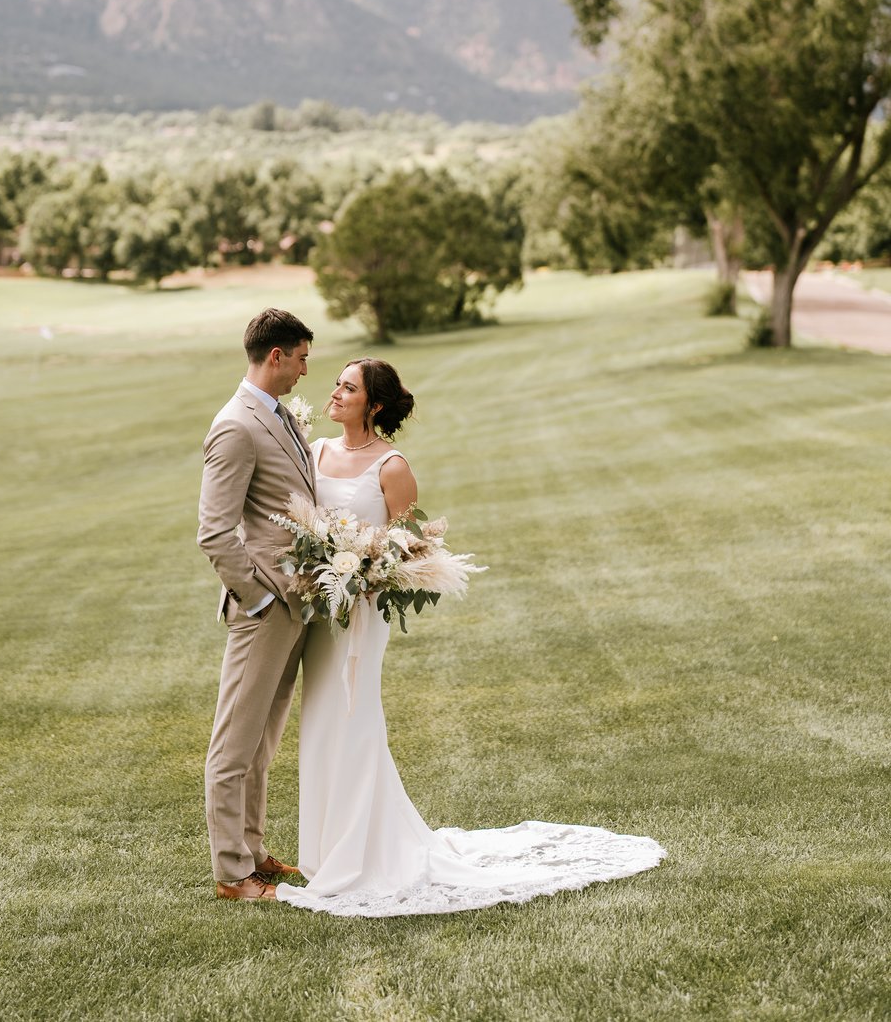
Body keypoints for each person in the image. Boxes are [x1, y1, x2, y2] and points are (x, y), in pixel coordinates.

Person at [276, 357, 666, 917]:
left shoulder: (391, 466)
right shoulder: (314, 453)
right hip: (323, 613)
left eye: (348, 387)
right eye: (335, 383)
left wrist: (366, 569)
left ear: (375, 404)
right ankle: (323, 851)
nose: (334, 392)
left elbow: (407, 551)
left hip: (361, 615)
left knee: (355, 717)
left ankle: (366, 852)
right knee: (318, 720)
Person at [197, 307, 315, 902]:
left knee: (263, 741)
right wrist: (262, 597)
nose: (302, 372)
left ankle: (252, 850)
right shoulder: (235, 426)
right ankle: (230, 874)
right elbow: (214, 533)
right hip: (264, 607)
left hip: (296, 602)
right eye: (299, 360)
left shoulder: (280, 416)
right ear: (276, 356)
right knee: (234, 743)